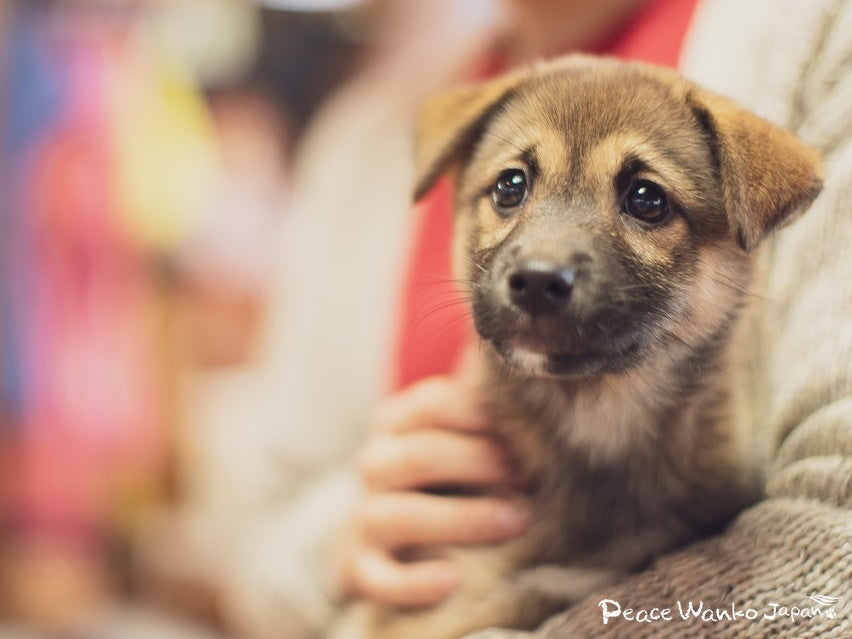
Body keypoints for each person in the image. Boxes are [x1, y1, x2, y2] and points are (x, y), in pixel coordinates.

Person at [343, 0, 852, 637]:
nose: (541, 260)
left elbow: (831, 547)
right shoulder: (357, 134)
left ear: (751, 237)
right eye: (511, 188)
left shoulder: (822, 35)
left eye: (646, 201)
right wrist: (344, 541)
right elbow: (258, 503)